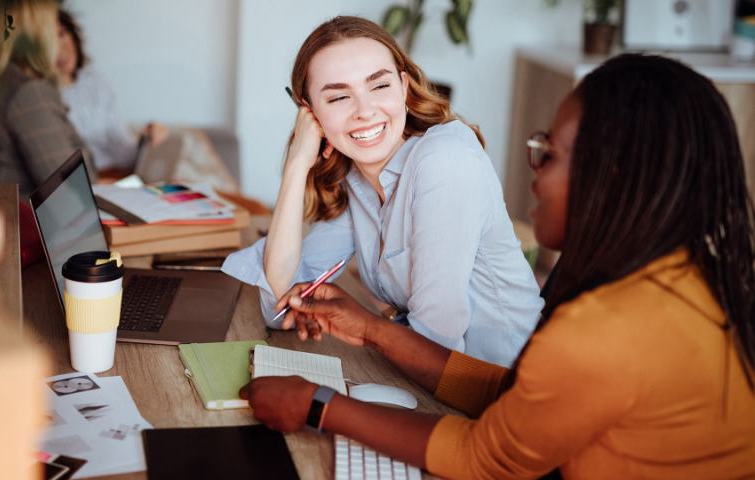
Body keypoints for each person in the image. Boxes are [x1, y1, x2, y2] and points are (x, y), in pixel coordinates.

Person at [239, 54, 755, 479]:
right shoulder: (676, 281)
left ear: (611, 177)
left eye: (548, 153)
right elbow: (513, 394)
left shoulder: (603, 328)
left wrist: (319, 407)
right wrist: (373, 330)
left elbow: (482, 457)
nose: (533, 171)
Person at [222, 16, 542, 367]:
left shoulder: (444, 160)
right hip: (434, 380)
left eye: (379, 86)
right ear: (311, 113)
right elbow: (281, 305)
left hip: (508, 386)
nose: (364, 111)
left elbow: (436, 342)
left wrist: (366, 325)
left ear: (404, 88)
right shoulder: (356, 180)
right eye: (339, 96)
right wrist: (297, 164)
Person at [0, 0, 93, 197]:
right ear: (38, 35)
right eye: (53, 28)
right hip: (20, 221)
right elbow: (71, 187)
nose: (58, 40)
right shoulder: (28, 92)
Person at [55, 9, 167, 176]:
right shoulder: (42, 96)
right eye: (49, 41)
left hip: (117, 175)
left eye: (62, 34)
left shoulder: (96, 82)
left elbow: (123, 150)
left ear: (73, 36)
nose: (59, 48)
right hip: (87, 181)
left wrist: (146, 141)